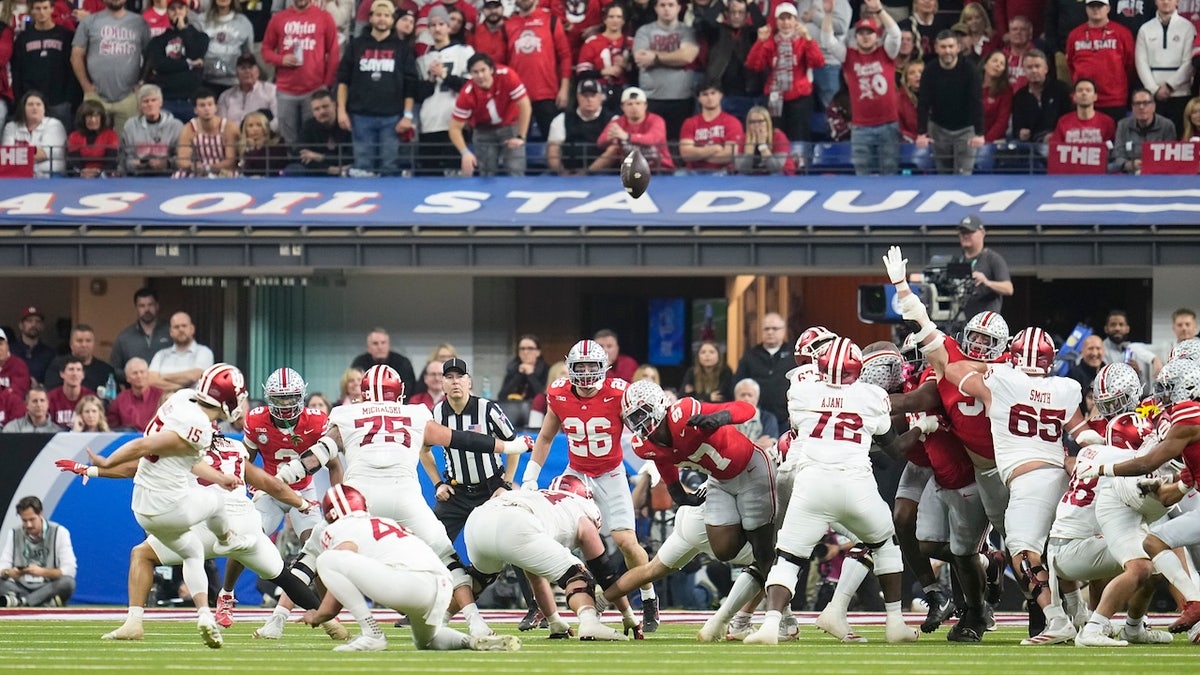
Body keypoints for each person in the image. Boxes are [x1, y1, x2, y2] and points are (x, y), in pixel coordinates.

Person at [274, 364, 534, 639]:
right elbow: (460, 439)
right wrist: (510, 446)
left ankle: (277, 620)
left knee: (311, 554)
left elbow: (319, 454)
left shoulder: (347, 413)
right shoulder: (415, 413)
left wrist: (287, 474)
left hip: (359, 497)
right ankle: (475, 621)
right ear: (398, 394)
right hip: (405, 495)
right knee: (448, 558)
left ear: (364, 395)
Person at [58, 431, 342, 641]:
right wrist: (302, 503)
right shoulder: (234, 447)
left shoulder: (182, 445)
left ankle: (135, 622)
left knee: (142, 554)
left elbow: (136, 469)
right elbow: (269, 483)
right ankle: (331, 624)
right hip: (244, 525)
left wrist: (92, 470)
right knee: (285, 578)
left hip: (205, 524)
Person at [84, 364, 252, 648]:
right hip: (169, 505)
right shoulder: (200, 426)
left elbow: (185, 456)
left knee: (192, 550)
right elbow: (143, 446)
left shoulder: (183, 397)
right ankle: (228, 538)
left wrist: (221, 477)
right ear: (227, 399)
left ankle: (195, 616)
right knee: (214, 502)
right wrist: (106, 461)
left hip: (143, 505)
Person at [620, 378, 780, 635]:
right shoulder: (645, 444)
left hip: (749, 471)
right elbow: (663, 460)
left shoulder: (684, 412)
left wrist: (721, 417)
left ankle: (776, 618)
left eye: (643, 412)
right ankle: (747, 615)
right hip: (719, 483)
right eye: (634, 416)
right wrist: (676, 492)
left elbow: (746, 410)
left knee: (763, 552)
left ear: (659, 406)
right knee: (732, 551)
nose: (640, 421)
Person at [521, 339, 660, 631]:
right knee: (565, 537)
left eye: (591, 366)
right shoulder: (558, 392)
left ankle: (648, 597)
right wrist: (530, 476)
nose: (585, 372)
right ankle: (551, 606)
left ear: (604, 367)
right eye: (579, 366)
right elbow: (545, 438)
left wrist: (653, 462)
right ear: (569, 367)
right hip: (577, 473)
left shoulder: (619, 393)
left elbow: (643, 432)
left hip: (611, 472)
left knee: (626, 542)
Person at [302, 485, 521, 652]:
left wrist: (322, 614)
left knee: (327, 560)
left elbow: (343, 557)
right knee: (427, 641)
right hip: (441, 585)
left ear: (330, 514)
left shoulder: (340, 527)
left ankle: (372, 633)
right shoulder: (386, 522)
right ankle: (472, 642)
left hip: (410, 582)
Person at [232, 367, 343, 636]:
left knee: (317, 550)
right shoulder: (257, 420)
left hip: (305, 491)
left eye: (290, 397)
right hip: (271, 490)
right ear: (269, 398)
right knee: (245, 538)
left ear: (301, 395)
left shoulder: (317, 421)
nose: (285, 404)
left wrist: (339, 499)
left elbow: (334, 464)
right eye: (279, 399)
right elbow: (244, 460)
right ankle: (227, 593)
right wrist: (248, 485)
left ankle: (326, 613)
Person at [464, 478, 634, 640]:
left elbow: (535, 577)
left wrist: (554, 621)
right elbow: (604, 572)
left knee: (476, 581)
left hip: (478, 520)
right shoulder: (580, 508)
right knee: (577, 575)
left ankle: (440, 619)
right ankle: (590, 622)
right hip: (515, 522)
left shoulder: (540, 500)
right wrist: (628, 614)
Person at [421, 357, 519, 544]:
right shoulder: (436, 413)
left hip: (491, 489)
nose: (455, 381)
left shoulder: (487, 409)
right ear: (442, 384)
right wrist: (437, 484)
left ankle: (515, 574)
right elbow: (423, 450)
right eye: (449, 377)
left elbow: (514, 446)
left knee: (514, 543)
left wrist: (505, 485)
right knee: (432, 544)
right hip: (456, 492)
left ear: (469, 381)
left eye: (460, 376)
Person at [337, 0, 418, 176]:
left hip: (392, 118)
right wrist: (341, 111)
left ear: (392, 20)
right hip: (360, 116)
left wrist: (408, 115)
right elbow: (343, 80)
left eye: (387, 15)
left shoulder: (402, 48)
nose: (382, 19)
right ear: (371, 17)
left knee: (389, 168)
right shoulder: (356, 45)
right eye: (379, 15)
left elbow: (410, 85)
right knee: (363, 169)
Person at [821, 0, 902, 175]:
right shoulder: (849, 56)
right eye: (861, 33)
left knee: (890, 174)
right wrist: (828, 15)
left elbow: (895, 34)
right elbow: (828, 41)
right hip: (861, 128)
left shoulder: (886, 53)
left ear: (877, 35)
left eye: (870, 32)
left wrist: (880, 10)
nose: (865, 36)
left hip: (888, 125)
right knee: (863, 176)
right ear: (855, 36)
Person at [261, 0, 339, 145]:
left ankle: (312, 167)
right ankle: (291, 167)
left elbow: (334, 53)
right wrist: (281, 59)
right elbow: (266, 50)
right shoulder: (279, 18)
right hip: (286, 90)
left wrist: (326, 84)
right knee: (288, 139)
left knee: (313, 138)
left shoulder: (324, 17)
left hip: (314, 88)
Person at [747, 2, 825, 143]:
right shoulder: (770, 42)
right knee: (776, 136)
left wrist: (808, 39)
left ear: (796, 20)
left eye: (789, 18)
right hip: (775, 97)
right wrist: (759, 42)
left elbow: (818, 62)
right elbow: (754, 65)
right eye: (782, 19)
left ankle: (799, 164)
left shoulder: (804, 40)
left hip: (799, 98)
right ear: (776, 22)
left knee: (799, 137)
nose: (786, 22)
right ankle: (777, 164)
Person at [70, 0, 151, 132]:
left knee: (128, 145)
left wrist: (142, 82)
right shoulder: (89, 21)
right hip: (95, 95)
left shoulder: (140, 22)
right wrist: (85, 86)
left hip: (129, 96)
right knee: (94, 144)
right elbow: (76, 56)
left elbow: (150, 55)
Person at [449, 52, 532, 177]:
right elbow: (454, 128)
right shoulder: (466, 94)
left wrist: (521, 136)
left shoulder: (507, 76)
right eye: (475, 72)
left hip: (510, 125)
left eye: (483, 70)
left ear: (491, 70)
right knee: (487, 174)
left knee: (516, 169)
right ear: (470, 74)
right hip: (483, 131)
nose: (480, 76)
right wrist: (465, 152)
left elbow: (525, 105)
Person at [414, 6, 474, 176]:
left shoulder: (464, 52)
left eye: (441, 24)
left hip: (455, 123)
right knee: (428, 176)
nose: (437, 28)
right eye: (432, 25)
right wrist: (431, 80)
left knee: (455, 176)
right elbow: (418, 95)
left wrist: (444, 75)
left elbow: (469, 88)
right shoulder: (422, 59)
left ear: (449, 26)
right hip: (429, 124)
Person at [916, 30, 984, 175]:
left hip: (966, 129)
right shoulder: (929, 70)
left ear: (958, 48)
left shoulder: (970, 69)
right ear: (936, 48)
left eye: (951, 46)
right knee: (943, 175)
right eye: (943, 47)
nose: (947, 51)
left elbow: (976, 101)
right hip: (939, 129)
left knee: (964, 175)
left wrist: (979, 132)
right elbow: (923, 103)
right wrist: (921, 132)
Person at [503, 0, 572, 140]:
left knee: (554, 143)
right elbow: (504, 62)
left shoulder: (551, 20)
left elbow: (565, 56)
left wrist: (564, 89)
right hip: (517, 96)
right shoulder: (507, 24)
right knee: (517, 145)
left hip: (547, 94)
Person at [632, 0, 699, 141]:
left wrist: (655, 58)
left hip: (681, 98)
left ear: (679, 8)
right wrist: (675, 57)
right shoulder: (644, 31)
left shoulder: (688, 31)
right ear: (656, 8)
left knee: (678, 144)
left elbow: (687, 57)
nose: (666, 9)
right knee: (651, 143)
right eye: (662, 5)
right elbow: (641, 58)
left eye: (671, 5)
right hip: (651, 98)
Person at [1066, 0, 1135, 124]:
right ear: (1086, 8)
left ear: (1108, 8)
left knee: (1113, 141)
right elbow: (1071, 64)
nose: (1096, 9)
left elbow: (1130, 65)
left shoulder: (1122, 33)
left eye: (1100, 6)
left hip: (1114, 99)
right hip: (1085, 99)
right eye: (1092, 6)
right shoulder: (1075, 35)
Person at [0, 496, 76, 607]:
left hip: (48, 585)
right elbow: (3, 566)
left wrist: (41, 572)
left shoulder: (59, 532)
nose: (28, 525)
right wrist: (9, 573)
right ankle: (42, 602)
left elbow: (69, 570)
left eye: (32, 519)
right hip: (21, 586)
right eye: (24, 521)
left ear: (40, 514)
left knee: (68, 583)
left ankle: (21, 602)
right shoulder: (14, 533)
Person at [141, 0, 208, 122]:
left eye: (180, 8)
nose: (177, 12)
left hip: (191, 101)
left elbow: (195, 52)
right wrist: (188, 63)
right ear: (167, 12)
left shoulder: (201, 37)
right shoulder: (158, 41)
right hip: (166, 100)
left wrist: (183, 29)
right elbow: (159, 65)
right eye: (172, 9)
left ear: (187, 10)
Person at [13, 0, 75, 129]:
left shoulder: (65, 35)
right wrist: (21, 98)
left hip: (59, 101)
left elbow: (71, 68)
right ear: (32, 10)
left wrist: (69, 97)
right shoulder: (23, 38)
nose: (42, 12)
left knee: (60, 144)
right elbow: (17, 71)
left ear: (52, 9)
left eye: (45, 8)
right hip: (31, 101)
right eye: (38, 8)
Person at [1134, 0, 1194, 133]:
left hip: (1180, 93)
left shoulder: (1188, 27)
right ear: (1155, 2)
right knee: (1154, 136)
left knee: (1179, 135)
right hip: (1153, 95)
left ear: (1177, 2)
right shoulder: (1145, 29)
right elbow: (1141, 62)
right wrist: (1154, 89)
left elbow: (1189, 62)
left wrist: (1170, 85)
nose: (1166, 2)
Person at [590, 86, 674, 173]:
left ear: (645, 106)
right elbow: (600, 142)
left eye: (638, 103)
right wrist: (610, 138)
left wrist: (627, 137)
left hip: (660, 169)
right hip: (631, 171)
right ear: (623, 107)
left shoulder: (656, 120)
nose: (634, 107)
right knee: (613, 148)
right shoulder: (618, 122)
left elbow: (653, 139)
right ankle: (588, 174)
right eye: (629, 104)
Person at [733, 312, 791, 431]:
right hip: (757, 422)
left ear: (783, 330)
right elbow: (737, 385)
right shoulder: (750, 355)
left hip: (786, 419)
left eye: (775, 328)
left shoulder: (794, 355)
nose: (770, 332)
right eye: (766, 329)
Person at [955, 215, 1012, 322]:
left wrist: (987, 282)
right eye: (962, 233)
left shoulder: (992, 259)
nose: (965, 236)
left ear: (982, 233)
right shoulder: (958, 260)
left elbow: (1008, 288)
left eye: (969, 232)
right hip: (961, 321)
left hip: (986, 324)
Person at [120, 84, 184, 176]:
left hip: (168, 176)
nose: (150, 104)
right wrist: (135, 164)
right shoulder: (130, 126)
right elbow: (125, 157)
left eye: (153, 100)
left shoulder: (176, 126)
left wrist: (167, 163)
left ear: (160, 103)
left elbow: (183, 158)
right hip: (138, 176)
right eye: (145, 101)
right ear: (140, 106)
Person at [678, 82, 744, 173]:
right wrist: (714, 149)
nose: (709, 98)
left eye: (713, 93)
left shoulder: (732, 122)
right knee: (679, 174)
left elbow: (729, 154)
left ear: (720, 95)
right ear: (699, 99)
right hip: (693, 172)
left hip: (722, 172)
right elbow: (686, 154)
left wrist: (699, 155)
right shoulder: (690, 123)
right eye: (705, 94)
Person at [286, 88, 353, 175]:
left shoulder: (347, 122)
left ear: (334, 105)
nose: (322, 112)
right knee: (292, 169)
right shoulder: (309, 126)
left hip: (345, 168)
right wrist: (328, 169)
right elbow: (299, 154)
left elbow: (351, 156)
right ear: (313, 112)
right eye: (317, 109)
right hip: (320, 169)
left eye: (325, 106)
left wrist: (320, 157)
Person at [1109, 88, 1177, 173]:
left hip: (1158, 173)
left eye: (1146, 103)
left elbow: (1171, 157)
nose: (1141, 107)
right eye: (1137, 103)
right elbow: (1117, 154)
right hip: (1130, 173)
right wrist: (1129, 164)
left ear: (1153, 106)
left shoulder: (1167, 125)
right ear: (1132, 107)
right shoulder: (1123, 125)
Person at [109, 288, 172, 379]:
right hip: (135, 390)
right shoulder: (124, 338)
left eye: (150, 305)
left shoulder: (170, 332)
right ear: (136, 308)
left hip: (167, 388)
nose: (147, 309)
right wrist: (132, 376)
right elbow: (113, 369)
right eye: (142, 306)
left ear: (157, 306)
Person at [1011, 49, 1072, 143]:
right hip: (1031, 144)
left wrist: (1055, 135)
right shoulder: (1020, 96)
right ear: (1024, 71)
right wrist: (1021, 132)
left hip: (1059, 140)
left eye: (1037, 66)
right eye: (1029, 67)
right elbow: (1017, 127)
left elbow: (1070, 119)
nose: (1034, 70)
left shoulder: (1062, 89)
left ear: (1046, 69)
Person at [175, 90, 240, 177]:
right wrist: (193, 166)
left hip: (223, 170)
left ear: (216, 107)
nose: (207, 108)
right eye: (202, 105)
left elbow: (230, 161)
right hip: (197, 170)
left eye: (210, 104)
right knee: (179, 176)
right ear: (195, 110)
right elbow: (182, 160)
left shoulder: (229, 127)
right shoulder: (189, 129)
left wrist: (209, 168)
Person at [2, 91, 67, 177]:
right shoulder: (11, 127)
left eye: (38, 104)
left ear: (44, 108)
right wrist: (30, 154)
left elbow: (45, 153)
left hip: (49, 174)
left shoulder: (54, 124)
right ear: (23, 108)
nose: (34, 108)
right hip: (18, 175)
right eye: (30, 104)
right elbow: (7, 155)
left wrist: (19, 155)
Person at [148, 312, 215, 393]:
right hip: (164, 404)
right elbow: (151, 380)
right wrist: (182, 387)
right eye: (176, 327)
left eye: (184, 326)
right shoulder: (160, 355)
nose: (181, 329)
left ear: (192, 329)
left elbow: (195, 376)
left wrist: (163, 377)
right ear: (171, 332)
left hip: (193, 404)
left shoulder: (204, 352)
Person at [199, 0, 254, 97]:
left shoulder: (243, 22)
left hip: (233, 82)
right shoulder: (201, 20)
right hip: (205, 81)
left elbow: (248, 54)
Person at [1101, 309, 1162, 395]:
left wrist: (1138, 374)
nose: (1117, 328)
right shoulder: (1098, 350)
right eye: (1113, 325)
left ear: (1127, 329)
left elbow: (1145, 391)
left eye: (1121, 324)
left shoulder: (1133, 349)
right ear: (1106, 328)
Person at [349, 327, 416, 399]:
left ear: (388, 345)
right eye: (375, 343)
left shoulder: (402, 362)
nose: (380, 347)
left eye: (383, 343)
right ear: (368, 348)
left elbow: (409, 390)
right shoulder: (359, 363)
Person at [44, 325, 113, 393]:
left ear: (93, 344)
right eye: (79, 341)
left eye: (88, 341)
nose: (84, 345)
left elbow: (111, 398)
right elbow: (51, 394)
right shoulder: (58, 366)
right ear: (71, 344)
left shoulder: (105, 370)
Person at [1049, 77, 1116, 146]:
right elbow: (1055, 148)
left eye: (1088, 90)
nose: (1084, 93)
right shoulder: (1063, 121)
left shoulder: (1107, 122)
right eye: (1080, 90)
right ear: (1074, 97)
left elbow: (1112, 149)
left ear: (1095, 97)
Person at [217, 54, 277, 130]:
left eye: (250, 67)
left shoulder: (271, 90)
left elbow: (279, 120)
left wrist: (262, 132)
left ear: (258, 71)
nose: (247, 71)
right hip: (233, 139)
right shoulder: (225, 96)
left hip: (262, 139)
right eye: (243, 68)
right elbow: (221, 124)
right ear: (236, 73)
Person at [734, 105, 796, 174]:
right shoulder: (743, 138)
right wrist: (749, 153)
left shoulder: (778, 136)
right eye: (752, 122)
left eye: (760, 121)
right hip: (754, 177)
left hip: (782, 176)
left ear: (767, 122)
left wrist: (763, 146)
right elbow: (742, 170)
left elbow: (776, 169)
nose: (756, 125)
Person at [106, 357, 163, 431]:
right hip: (129, 440)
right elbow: (112, 428)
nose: (139, 376)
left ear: (148, 374)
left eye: (142, 372)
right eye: (135, 373)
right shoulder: (120, 400)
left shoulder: (161, 396)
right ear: (127, 378)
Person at [67, 99, 120, 177]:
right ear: (82, 119)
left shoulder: (111, 135)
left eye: (96, 116)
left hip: (105, 176)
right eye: (89, 116)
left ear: (102, 118)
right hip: (81, 176)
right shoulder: (74, 136)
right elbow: (74, 162)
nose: (93, 120)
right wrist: (83, 172)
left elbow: (111, 162)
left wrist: (98, 172)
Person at [46, 358, 95, 430]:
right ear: (62, 374)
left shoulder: (91, 398)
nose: (75, 374)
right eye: (71, 369)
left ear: (83, 375)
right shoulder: (50, 397)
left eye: (78, 370)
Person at [730, 378, 779, 448]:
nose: (746, 399)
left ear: (757, 398)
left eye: (750, 395)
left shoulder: (768, 418)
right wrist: (755, 444)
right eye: (742, 395)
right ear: (735, 398)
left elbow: (767, 444)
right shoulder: (728, 419)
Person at [498, 334, 548, 401]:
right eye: (522, 349)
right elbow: (502, 396)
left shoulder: (546, 370)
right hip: (513, 408)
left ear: (538, 352)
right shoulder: (512, 369)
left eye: (530, 348)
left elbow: (545, 397)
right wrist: (519, 375)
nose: (525, 352)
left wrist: (531, 375)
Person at [13, 306, 53, 386]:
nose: (33, 324)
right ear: (21, 325)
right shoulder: (10, 351)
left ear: (42, 326)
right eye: (29, 321)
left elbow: (52, 381)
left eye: (38, 321)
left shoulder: (50, 354)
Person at [238, 110, 287, 176]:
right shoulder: (242, 145)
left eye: (259, 125)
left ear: (265, 127)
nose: (255, 129)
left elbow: (270, 168)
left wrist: (260, 148)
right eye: (250, 126)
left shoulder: (278, 142)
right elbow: (247, 171)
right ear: (245, 129)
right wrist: (252, 149)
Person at [981, 50, 1013, 142]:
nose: (998, 65)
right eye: (995, 61)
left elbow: (1002, 122)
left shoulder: (1006, 91)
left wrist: (985, 141)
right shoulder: (972, 86)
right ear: (985, 65)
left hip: (993, 141)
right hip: (968, 137)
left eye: (1002, 64)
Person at [0, 328, 30, 400]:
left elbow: (18, 393)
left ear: (7, 346)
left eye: (0, 344)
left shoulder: (18, 365)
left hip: (12, 408)